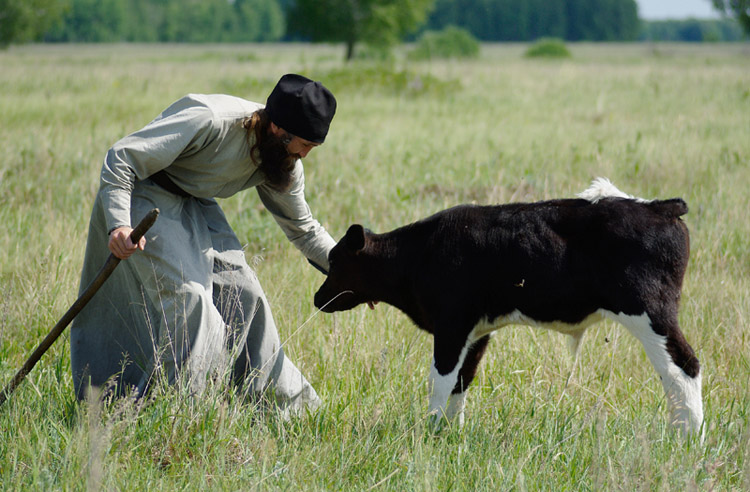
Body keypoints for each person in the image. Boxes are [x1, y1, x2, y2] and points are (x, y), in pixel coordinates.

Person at [70, 74, 337, 414]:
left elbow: (303, 228)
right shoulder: (209, 118)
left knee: (246, 296)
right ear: (277, 130)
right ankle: (188, 413)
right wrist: (120, 225)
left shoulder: (281, 160)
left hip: (196, 203)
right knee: (191, 300)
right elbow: (123, 157)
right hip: (145, 196)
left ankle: (285, 410)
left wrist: (356, 272)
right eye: (304, 145)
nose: (305, 156)